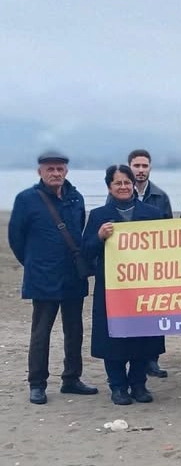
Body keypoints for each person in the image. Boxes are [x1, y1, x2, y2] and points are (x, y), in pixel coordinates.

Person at [8, 151, 98, 405]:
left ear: (66, 171)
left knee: (75, 330)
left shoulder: (76, 198)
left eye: (59, 169)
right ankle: (37, 383)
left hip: (73, 275)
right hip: (43, 277)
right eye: (50, 169)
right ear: (40, 172)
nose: (55, 173)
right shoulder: (26, 199)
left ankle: (71, 378)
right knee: (41, 333)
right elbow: (16, 238)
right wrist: (34, 263)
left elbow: (79, 230)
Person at [83, 165, 166, 405]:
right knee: (113, 338)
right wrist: (99, 237)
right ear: (109, 187)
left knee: (143, 336)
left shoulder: (152, 214)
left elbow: (168, 248)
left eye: (127, 182)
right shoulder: (99, 215)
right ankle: (118, 386)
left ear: (134, 185)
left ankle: (139, 384)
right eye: (117, 183)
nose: (123, 187)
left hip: (144, 287)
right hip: (112, 289)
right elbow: (85, 252)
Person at [126, 149, 173, 379]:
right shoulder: (120, 192)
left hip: (154, 265)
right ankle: (132, 357)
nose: (141, 170)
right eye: (137, 166)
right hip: (128, 265)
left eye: (144, 166)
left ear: (150, 168)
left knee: (154, 314)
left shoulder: (160, 196)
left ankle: (152, 360)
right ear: (130, 167)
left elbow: (169, 229)